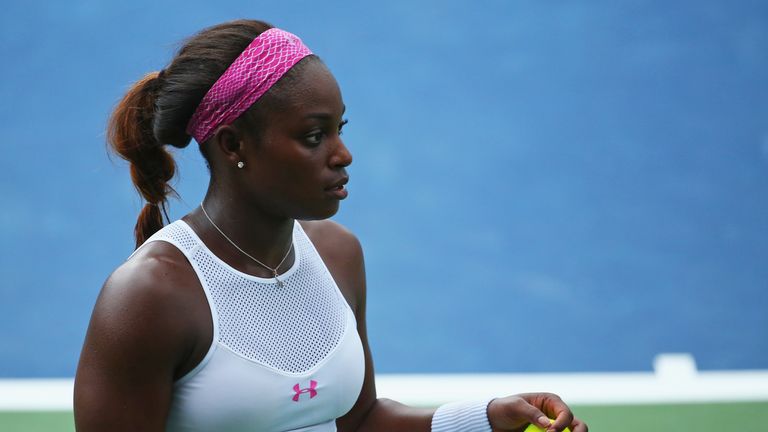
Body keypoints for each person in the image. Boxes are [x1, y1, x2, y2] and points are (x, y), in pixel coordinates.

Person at [73, 19, 588, 432]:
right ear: (233, 145)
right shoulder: (150, 297)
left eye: (339, 129)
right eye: (313, 136)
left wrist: (486, 419)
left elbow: (358, 421)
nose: (343, 155)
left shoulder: (338, 255)